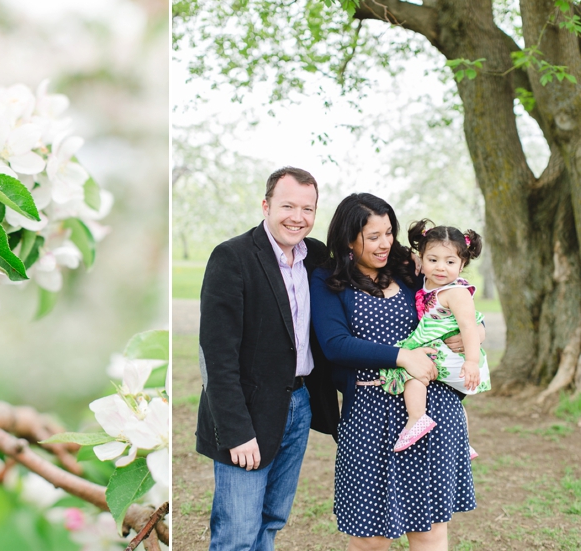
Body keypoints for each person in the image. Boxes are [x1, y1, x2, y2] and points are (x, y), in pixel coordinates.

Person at [310, 193, 478, 550]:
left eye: (389, 232)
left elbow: (454, 300)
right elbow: (335, 344)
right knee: (369, 537)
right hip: (369, 414)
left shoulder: (408, 267)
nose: (385, 243)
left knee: (429, 532)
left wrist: (473, 334)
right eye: (373, 236)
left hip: (431, 411)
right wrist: (403, 356)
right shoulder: (328, 280)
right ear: (348, 240)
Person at [196, 166, 339, 551]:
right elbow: (216, 355)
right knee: (237, 532)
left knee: (271, 521)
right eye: (288, 205)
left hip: (300, 403)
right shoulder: (232, 257)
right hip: (248, 412)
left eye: (307, 209)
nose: (298, 217)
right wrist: (236, 431)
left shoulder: (317, 258)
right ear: (266, 205)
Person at [381, 219, 491, 452]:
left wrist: (471, 362)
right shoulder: (429, 284)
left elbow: (469, 327)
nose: (441, 267)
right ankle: (464, 443)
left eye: (450, 262)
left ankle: (416, 418)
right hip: (450, 355)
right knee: (450, 398)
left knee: (410, 368)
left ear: (462, 265)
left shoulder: (455, 292)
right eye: (433, 260)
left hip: (458, 358)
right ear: (421, 259)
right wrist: (412, 257)